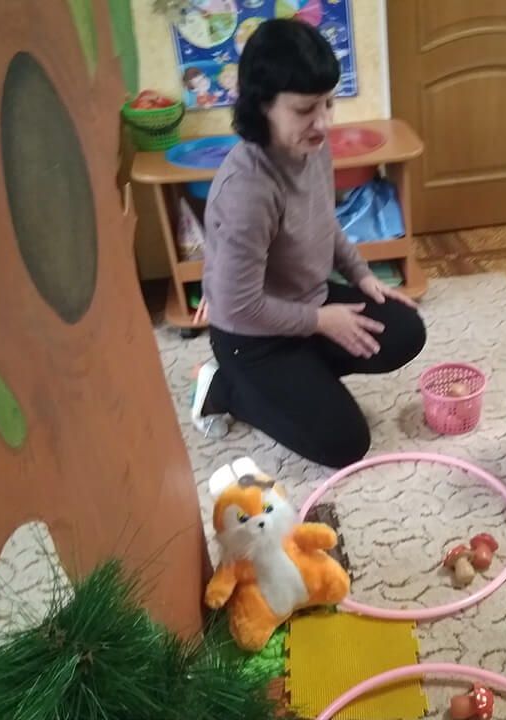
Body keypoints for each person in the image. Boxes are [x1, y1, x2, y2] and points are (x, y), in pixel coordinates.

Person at [191, 19, 426, 468]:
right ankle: (227, 389)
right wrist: (320, 321)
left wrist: (361, 276)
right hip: (249, 337)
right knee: (345, 444)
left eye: (329, 103)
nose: (323, 122)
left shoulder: (312, 146)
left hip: (305, 304)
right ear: (262, 105)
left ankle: (299, 379)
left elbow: (324, 220)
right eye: (305, 109)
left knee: (404, 330)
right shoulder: (247, 189)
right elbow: (238, 306)